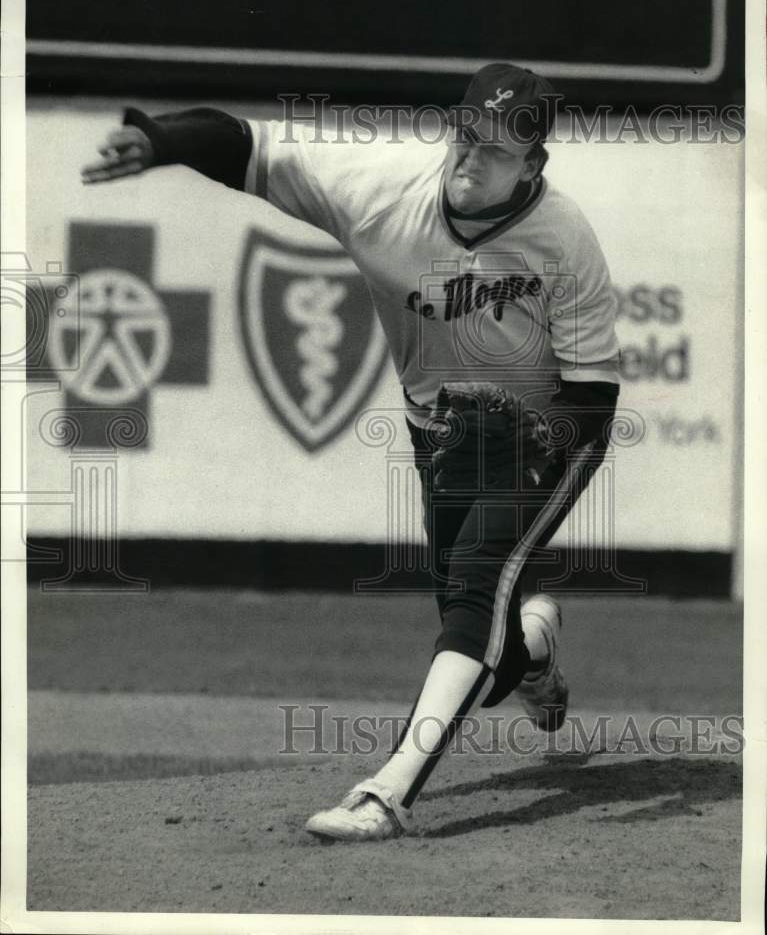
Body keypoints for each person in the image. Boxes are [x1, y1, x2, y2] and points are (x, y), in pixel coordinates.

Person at [82, 63, 620, 841]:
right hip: (439, 439)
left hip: (541, 439)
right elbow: (250, 146)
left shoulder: (564, 239)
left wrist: (544, 458)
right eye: (466, 135)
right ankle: (534, 646)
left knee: (474, 594)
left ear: (532, 164)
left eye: (497, 149)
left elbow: (592, 401)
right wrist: (162, 139)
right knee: (481, 642)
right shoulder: (380, 190)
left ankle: (385, 794)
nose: (471, 157)